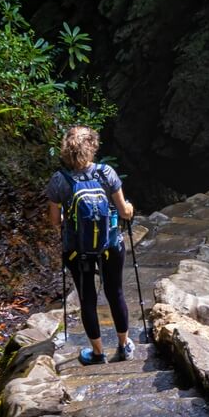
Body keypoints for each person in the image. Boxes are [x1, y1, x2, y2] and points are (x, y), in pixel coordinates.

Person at [46, 125, 135, 365]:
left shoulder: (59, 180)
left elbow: (55, 221)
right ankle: (124, 346)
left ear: (65, 150)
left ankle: (97, 353)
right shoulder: (107, 173)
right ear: (93, 147)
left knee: (87, 299)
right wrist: (129, 208)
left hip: (77, 250)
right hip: (110, 245)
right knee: (115, 292)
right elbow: (124, 212)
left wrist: (68, 217)